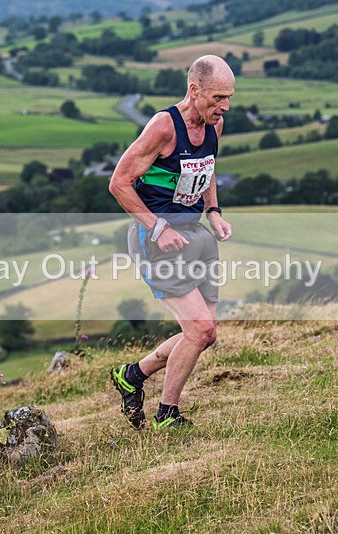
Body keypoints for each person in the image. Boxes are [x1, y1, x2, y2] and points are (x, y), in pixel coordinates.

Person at [108, 55, 234, 430]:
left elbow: (208, 168)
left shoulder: (216, 125)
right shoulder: (164, 127)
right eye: (217, 98)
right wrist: (157, 226)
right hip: (155, 240)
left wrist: (213, 210)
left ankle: (132, 375)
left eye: (228, 98)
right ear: (194, 90)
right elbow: (118, 183)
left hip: (193, 235)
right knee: (201, 331)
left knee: (204, 332)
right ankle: (167, 414)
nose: (224, 106)